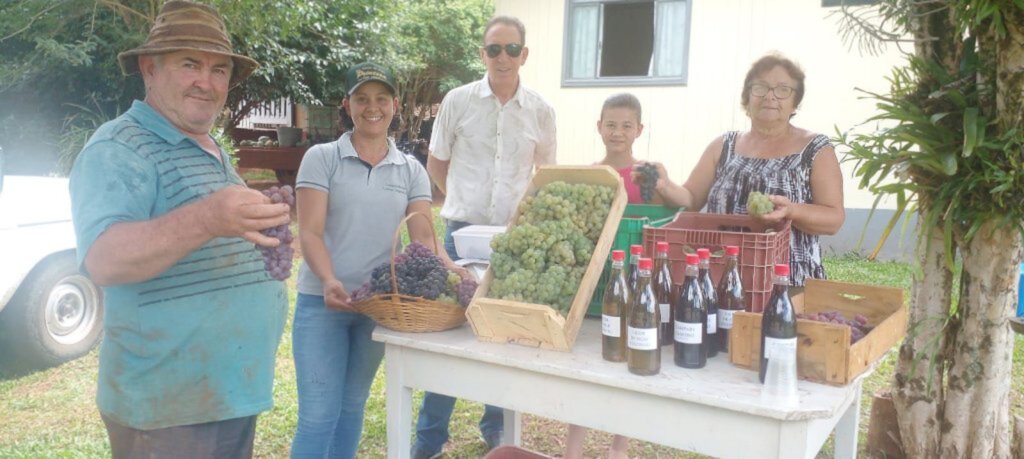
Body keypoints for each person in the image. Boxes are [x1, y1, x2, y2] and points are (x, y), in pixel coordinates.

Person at [69, 2, 291, 457]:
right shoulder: (119, 147)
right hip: (167, 412)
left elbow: (210, 236)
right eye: (190, 64)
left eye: (219, 69)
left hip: (223, 395)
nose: (206, 82)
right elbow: (104, 259)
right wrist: (209, 216)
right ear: (149, 69)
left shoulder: (208, 146)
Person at [290, 62, 463, 459]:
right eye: (362, 98)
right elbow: (310, 232)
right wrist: (329, 279)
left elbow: (423, 239)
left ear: (395, 104)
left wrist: (456, 271)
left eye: (381, 99)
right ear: (346, 104)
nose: (373, 107)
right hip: (322, 303)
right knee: (318, 416)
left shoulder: (411, 170)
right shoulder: (322, 158)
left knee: (351, 408)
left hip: (378, 307)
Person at [417, 15, 557, 459]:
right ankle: (429, 440)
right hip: (459, 235)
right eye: (494, 49)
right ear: (482, 54)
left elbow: (545, 176)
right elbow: (436, 164)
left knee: (504, 338)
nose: (503, 58)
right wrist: (459, 200)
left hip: (511, 243)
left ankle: (496, 431)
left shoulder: (541, 111)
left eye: (511, 49)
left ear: (524, 55)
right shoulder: (456, 102)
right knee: (449, 340)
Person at [642, 53, 845, 287]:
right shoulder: (723, 146)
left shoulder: (815, 149)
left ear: (795, 102)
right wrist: (665, 185)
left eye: (782, 89)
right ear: (747, 97)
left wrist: (791, 210)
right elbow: (691, 200)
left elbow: (834, 219)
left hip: (787, 283)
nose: (770, 96)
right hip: (720, 280)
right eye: (760, 87)